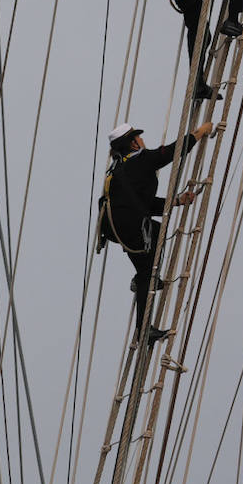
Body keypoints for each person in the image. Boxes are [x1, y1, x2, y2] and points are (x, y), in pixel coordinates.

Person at [97, 121, 213, 342]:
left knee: (147, 263)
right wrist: (199, 133)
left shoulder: (119, 167)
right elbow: (171, 152)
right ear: (132, 143)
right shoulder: (141, 160)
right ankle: (144, 324)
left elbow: (144, 204)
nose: (142, 141)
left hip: (116, 227)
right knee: (150, 256)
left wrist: (177, 201)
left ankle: (143, 293)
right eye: (138, 138)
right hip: (130, 226)